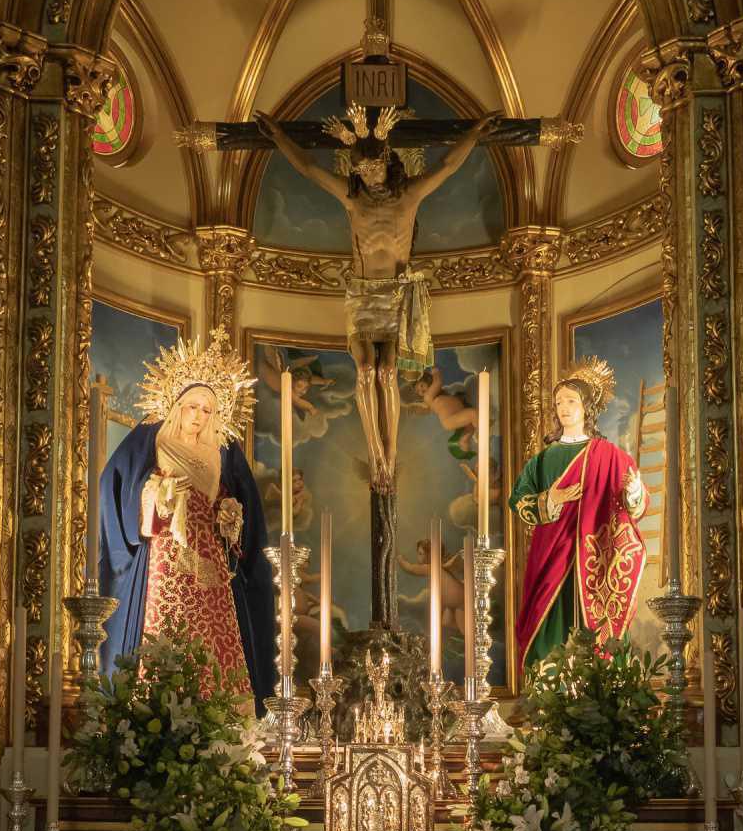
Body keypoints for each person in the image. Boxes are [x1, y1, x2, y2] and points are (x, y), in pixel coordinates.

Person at [255, 104, 500, 489]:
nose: (368, 177)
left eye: (373, 168)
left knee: (387, 373)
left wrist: (474, 133)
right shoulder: (353, 199)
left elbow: (448, 165)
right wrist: (280, 137)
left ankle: (391, 451)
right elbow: (308, 168)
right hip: (363, 293)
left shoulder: (409, 196)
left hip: (398, 294)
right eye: (362, 171)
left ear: (388, 162)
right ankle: (375, 455)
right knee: (366, 370)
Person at [98, 329, 275, 713]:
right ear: (177, 405)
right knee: (169, 621)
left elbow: (234, 503)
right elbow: (118, 483)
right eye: (193, 406)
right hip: (168, 551)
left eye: (208, 410)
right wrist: (156, 494)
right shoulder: (155, 439)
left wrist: (230, 513)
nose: (199, 416)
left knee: (215, 628)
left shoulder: (220, 450)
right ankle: (159, 710)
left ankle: (220, 713)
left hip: (210, 555)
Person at [510, 361, 648, 673]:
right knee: (548, 618)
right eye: (558, 402)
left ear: (587, 407)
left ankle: (601, 685)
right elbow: (518, 500)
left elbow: (635, 507)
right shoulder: (542, 461)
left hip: (596, 557)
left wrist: (633, 491)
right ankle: (550, 689)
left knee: (595, 627)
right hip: (551, 554)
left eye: (571, 401)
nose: (563, 408)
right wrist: (550, 500)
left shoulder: (611, 456)